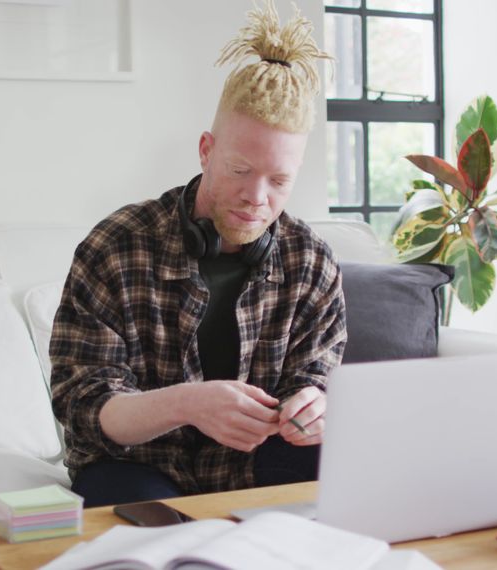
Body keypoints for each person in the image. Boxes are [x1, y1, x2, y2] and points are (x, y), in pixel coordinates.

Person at [50, 1, 344, 508]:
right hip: (136, 466)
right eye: (239, 169)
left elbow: (315, 378)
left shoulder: (311, 262)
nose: (257, 197)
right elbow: (83, 406)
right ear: (206, 150)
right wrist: (187, 404)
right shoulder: (116, 247)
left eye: (279, 181)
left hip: (261, 463)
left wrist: (313, 406)